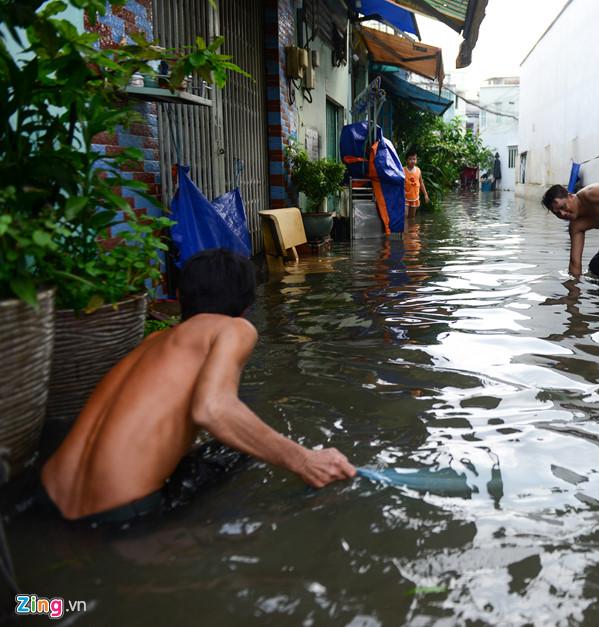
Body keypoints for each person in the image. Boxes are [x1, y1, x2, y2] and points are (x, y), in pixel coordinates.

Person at [40, 249, 356, 523]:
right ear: (246, 305)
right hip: (119, 513)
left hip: (49, 496)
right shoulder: (234, 329)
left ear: (180, 298)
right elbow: (213, 410)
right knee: (235, 451)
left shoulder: (154, 340)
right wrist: (304, 459)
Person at [404, 150, 429, 218]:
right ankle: (405, 228)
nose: (412, 161)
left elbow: (421, 183)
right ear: (406, 160)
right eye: (410, 159)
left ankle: (411, 228)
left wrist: (425, 194)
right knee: (405, 215)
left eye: (414, 159)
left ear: (416, 160)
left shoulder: (418, 170)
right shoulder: (403, 170)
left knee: (412, 217)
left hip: (414, 197)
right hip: (405, 197)